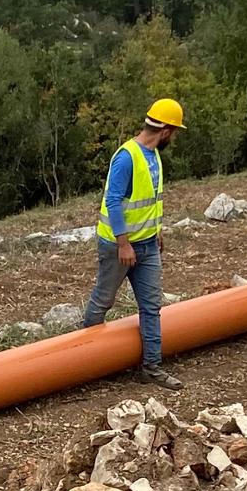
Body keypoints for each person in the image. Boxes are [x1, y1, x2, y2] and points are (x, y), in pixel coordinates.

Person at [80, 98, 187, 390]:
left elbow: (149, 202)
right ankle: (85, 360)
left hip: (148, 244)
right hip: (119, 247)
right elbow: (113, 201)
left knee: (151, 306)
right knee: (103, 301)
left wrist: (157, 231)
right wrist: (124, 244)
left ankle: (151, 368)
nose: (174, 138)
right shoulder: (127, 157)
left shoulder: (153, 156)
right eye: (174, 132)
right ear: (165, 130)